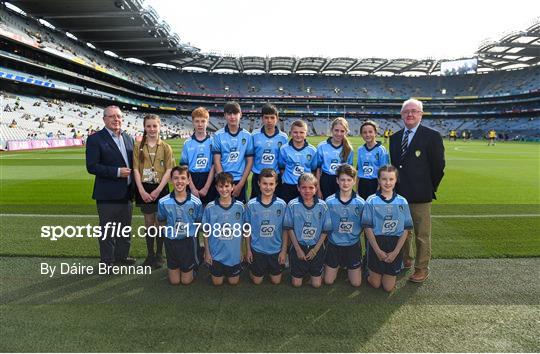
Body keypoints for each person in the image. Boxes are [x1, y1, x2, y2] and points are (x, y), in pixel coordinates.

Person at [389, 98, 445, 282]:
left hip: (421, 195)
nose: (410, 114)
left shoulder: (432, 136)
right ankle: (406, 259)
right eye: (406, 111)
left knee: (422, 235)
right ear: (401, 114)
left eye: (414, 111)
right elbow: (395, 167)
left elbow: (438, 167)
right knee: (402, 232)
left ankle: (422, 268)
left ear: (421, 114)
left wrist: (429, 187)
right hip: (399, 194)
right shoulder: (395, 138)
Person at [86, 105, 135, 266]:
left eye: (119, 116)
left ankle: (122, 257)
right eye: (112, 116)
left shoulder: (128, 138)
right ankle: (107, 261)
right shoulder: (95, 139)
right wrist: (116, 172)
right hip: (107, 194)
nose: (116, 119)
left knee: (125, 229)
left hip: (127, 193)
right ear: (104, 119)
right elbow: (92, 166)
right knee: (107, 230)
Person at [362, 165, 413, 292]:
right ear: (378, 180)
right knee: (375, 283)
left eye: (391, 179)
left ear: (396, 180)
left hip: (394, 244)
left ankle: (386, 270)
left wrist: (396, 252)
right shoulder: (371, 200)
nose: (388, 182)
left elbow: (406, 229)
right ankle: (367, 268)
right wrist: (378, 251)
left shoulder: (402, 202)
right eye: (384, 179)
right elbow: (367, 228)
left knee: (388, 288)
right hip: (376, 243)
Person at [133, 114, 174, 268]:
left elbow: (169, 170)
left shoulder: (165, 147)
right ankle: (150, 254)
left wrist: (158, 190)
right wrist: (141, 190)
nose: (151, 129)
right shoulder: (138, 147)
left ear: (159, 127)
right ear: (144, 127)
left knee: (161, 222)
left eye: (154, 126)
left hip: (160, 188)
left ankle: (159, 254)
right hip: (144, 188)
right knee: (149, 222)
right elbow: (136, 170)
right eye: (149, 126)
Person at [284, 173, 332, 288]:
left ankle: (317, 270)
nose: (307, 191)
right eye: (304, 187)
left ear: (316, 189)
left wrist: (315, 250)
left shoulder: (323, 206)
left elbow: (325, 231)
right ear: (298, 188)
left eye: (311, 187)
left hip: (316, 246)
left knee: (316, 285)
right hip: (299, 246)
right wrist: (298, 249)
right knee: (296, 284)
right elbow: (289, 228)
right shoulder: (292, 205)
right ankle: (301, 269)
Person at [157, 166, 203, 285]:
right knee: (175, 281)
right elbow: (161, 220)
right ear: (171, 180)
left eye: (183, 178)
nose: (179, 181)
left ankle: (196, 260)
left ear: (188, 180)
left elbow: (198, 222)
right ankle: (179, 265)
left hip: (188, 242)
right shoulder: (163, 201)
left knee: (186, 281)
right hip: (171, 241)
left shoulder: (196, 202)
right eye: (176, 178)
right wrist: (167, 234)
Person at [202, 172, 247, 286]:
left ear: (232, 187)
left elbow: (244, 231)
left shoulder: (240, 207)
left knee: (233, 282)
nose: (224, 189)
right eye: (221, 186)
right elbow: (206, 232)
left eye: (227, 186)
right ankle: (215, 269)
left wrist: (242, 250)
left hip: (233, 254)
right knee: (217, 283)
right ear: (216, 188)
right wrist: (207, 252)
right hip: (216, 254)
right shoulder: (210, 207)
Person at [324, 164, 365, 287]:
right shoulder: (329, 201)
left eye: (349, 180)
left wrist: (353, 235)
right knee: (328, 281)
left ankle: (362, 266)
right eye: (342, 180)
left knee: (356, 283)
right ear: (337, 180)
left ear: (354, 181)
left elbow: (364, 225)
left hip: (352, 245)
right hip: (334, 245)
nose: (345, 183)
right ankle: (333, 264)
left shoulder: (360, 202)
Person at [245, 168, 288, 284]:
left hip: (275, 250)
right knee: (257, 281)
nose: (268, 187)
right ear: (259, 184)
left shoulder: (282, 205)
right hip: (257, 250)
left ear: (276, 185)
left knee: (276, 281)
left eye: (271, 184)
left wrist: (283, 251)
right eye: (264, 183)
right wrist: (248, 250)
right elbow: (247, 230)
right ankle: (253, 268)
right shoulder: (251, 205)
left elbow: (285, 230)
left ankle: (271, 267)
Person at [212, 102, 253, 203]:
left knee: (240, 210)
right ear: (225, 115)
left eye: (235, 113)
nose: (232, 117)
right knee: (222, 209)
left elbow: (250, 162)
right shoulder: (218, 135)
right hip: (223, 181)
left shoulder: (247, 136)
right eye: (229, 114)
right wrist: (224, 183)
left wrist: (241, 184)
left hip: (240, 180)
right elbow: (216, 161)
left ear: (240, 114)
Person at [250, 103, 288, 199]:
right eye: (266, 118)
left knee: (276, 205)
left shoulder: (283, 137)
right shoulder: (254, 135)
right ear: (262, 119)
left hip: (275, 177)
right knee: (256, 205)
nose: (269, 121)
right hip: (258, 175)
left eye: (272, 117)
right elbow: (250, 156)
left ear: (277, 118)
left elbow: (284, 159)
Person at [180, 107, 216, 205]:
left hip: (208, 179)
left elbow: (214, 165)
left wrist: (206, 187)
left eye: (203, 121)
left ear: (207, 122)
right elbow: (184, 167)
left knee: (208, 213)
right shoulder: (187, 143)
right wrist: (192, 188)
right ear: (193, 122)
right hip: (192, 179)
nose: (200, 124)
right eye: (197, 121)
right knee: (192, 213)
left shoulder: (213, 141)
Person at [278, 120, 317, 203]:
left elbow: (313, 169)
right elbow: (281, 167)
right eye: (295, 132)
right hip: (288, 186)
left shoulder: (312, 150)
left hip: (305, 187)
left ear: (306, 133)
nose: (298, 135)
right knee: (288, 212)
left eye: (301, 132)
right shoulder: (284, 149)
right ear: (291, 132)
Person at [315, 117, 354, 199]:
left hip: (342, 181)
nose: (339, 133)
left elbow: (350, 173)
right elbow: (318, 170)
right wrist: (318, 189)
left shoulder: (349, 149)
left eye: (342, 131)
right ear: (331, 130)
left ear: (346, 132)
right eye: (336, 130)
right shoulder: (322, 146)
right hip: (326, 181)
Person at [356, 120, 389, 200]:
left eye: (370, 132)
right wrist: (356, 189)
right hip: (362, 184)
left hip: (375, 183)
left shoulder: (381, 150)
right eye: (364, 132)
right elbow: (359, 171)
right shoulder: (360, 149)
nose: (367, 135)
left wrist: (380, 187)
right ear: (361, 134)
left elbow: (384, 172)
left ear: (375, 133)